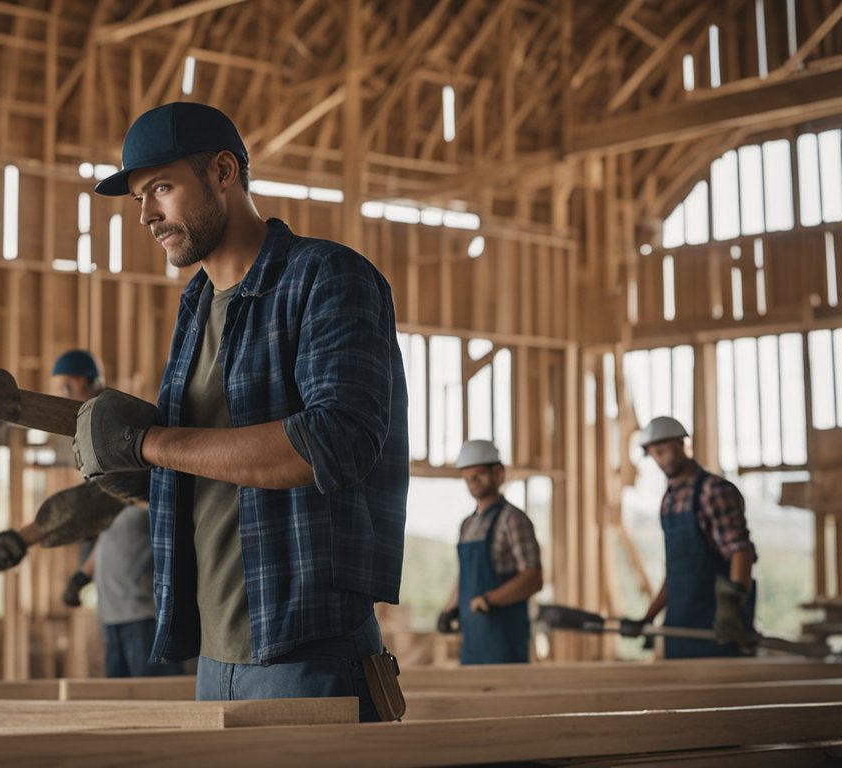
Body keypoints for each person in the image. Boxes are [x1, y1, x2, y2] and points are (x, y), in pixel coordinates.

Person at [75, 101, 408, 722]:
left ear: (224, 171)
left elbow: (336, 440)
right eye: (141, 198)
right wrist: (135, 475)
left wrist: (152, 443)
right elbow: (219, 469)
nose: (146, 214)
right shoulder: (196, 304)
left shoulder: (329, 277)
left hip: (309, 654)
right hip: (212, 656)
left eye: (162, 189)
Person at [51, 349, 183, 678]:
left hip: (144, 611)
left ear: (83, 383)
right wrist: (84, 574)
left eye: (67, 388)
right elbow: (108, 527)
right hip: (112, 611)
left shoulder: (134, 455)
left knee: (158, 709)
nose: (63, 396)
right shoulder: (99, 477)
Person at [626, 416, 757, 658]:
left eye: (667, 449)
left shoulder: (713, 491)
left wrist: (730, 610)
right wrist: (648, 618)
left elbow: (741, 552)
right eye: (656, 452)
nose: (663, 458)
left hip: (718, 628)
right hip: (679, 628)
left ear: (681, 444)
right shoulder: (669, 501)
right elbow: (676, 574)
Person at [435, 440, 542, 665]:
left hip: (504, 639)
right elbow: (464, 576)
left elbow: (533, 578)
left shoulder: (513, 519)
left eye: (480, 474)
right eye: (468, 477)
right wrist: (449, 608)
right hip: (472, 640)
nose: (473, 481)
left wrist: (488, 599)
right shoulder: (468, 524)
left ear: (499, 473)